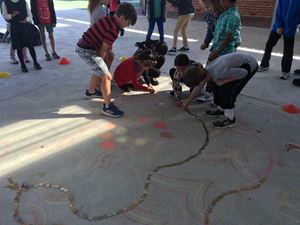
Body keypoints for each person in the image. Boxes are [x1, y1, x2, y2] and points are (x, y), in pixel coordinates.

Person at [76, 2, 137, 118]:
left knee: (100, 69)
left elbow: (105, 45)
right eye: (127, 23)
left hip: (85, 46)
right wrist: (103, 66)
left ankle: (91, 91)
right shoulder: (114, 29)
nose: (127, 26)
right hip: (87, 50)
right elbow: (103, 49)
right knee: (106, 76)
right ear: (122, 18)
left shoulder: (109, 18)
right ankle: (107, 106)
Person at [183, 53, 258, 128]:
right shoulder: (206, 72)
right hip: (234, 67)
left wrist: (223, 82)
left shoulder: (220, 73)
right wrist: (186, 104)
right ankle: (221, 109)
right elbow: (197, 89)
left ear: (200, 82)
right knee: (215, 86)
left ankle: (230, 118)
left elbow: (244, 73)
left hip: (249, 66)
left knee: (226, 91)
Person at [257, 0, 300, 80]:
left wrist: (292, 25)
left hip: (290, 28)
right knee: (269, 44)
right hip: (278, 26)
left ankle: (286, 71)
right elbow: (278, 11)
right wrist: (278, 25)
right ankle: (264, 64)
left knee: (288, 50)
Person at [1, 0, 42, 72]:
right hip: (14, 27)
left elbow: (30, 14)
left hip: (25, 26)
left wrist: (27, 20)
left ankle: (35, 62)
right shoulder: (5, 2)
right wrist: (12, 15)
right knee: (19, 46)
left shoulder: (23, 2)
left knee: (30, 45)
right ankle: (23, 65)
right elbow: (5, 15)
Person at [85, 0, 110, 98]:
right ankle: (94, 88)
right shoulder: (101, 10)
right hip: (96, 42)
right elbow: (103, 30)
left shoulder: (97, 8)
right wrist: (106, 46)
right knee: (100, 66)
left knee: (104, 62)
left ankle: (98, 84)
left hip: (94, 40)